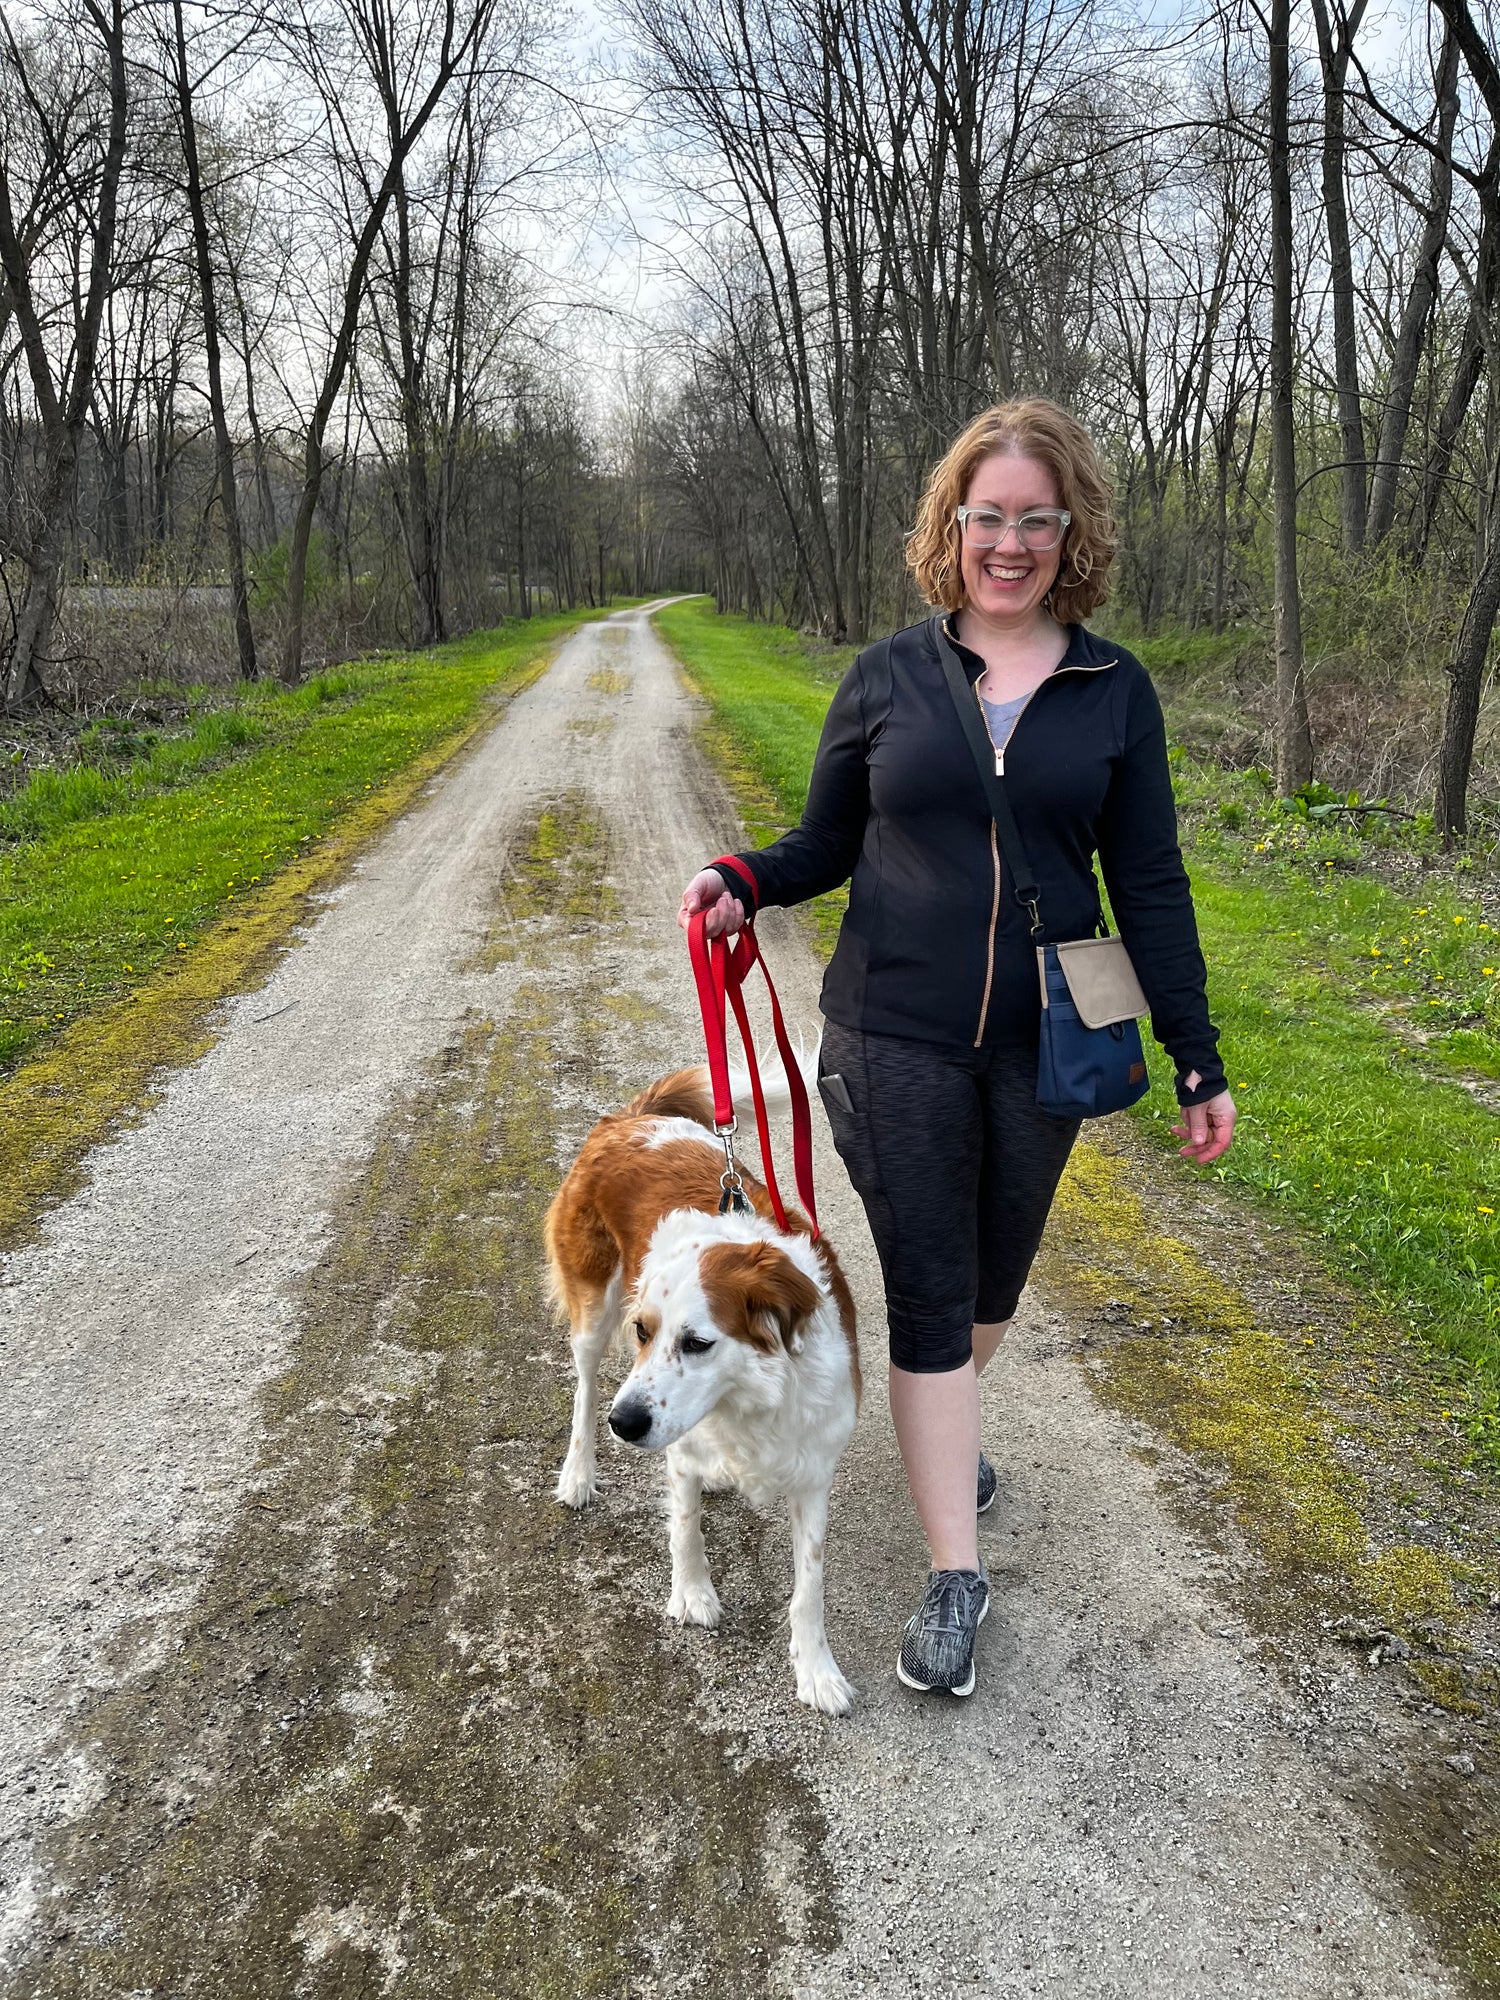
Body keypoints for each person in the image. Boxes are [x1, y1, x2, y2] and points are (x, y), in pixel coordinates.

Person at [678, 398, 1236, 1699]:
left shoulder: (1115, 693)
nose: (1011, 542)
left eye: (1038, 519)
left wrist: (1198, 1055)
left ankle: (947, 1418)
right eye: (988, 516)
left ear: (1071, 533)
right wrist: (740, 877)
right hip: (897, 1035)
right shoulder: (885, 678)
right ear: (953, 526)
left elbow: (1149, 882)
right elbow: (823, 843)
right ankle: (954, 1573)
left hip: (1045, 1043)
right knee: (933, 1294)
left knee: (990, 1290)